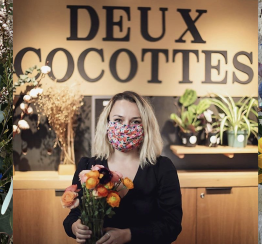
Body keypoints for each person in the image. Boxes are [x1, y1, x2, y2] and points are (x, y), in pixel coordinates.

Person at [63, 91, 183, 244]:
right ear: (107, 123)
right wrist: (75, 227)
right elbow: (73, 216)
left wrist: (128, 235)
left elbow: (171, 226)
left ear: (146, 127)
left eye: (135, 122)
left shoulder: (162, 168)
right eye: (118, 120)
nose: (126, 127)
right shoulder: (88, 167)